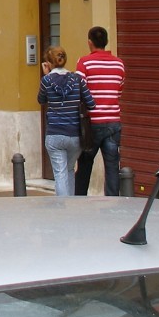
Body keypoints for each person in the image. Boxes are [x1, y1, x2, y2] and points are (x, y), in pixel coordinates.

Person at [74, 26, 126, 196]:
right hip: (113, 121)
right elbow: (119, 91)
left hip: (92, 123)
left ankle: (80, 199)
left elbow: (79, 91)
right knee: (112, 165)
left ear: (90, 43)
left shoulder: (84, 62)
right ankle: (112, 201)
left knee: (85, 163)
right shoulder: (119, 64)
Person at [38, 46, 95, 196]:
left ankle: (63, 207)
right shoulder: (77, 79)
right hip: (75, 135)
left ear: (48, 63)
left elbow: (41, 100)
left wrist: (46, 75)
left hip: (55, 134)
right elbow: (91, 103)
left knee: (60, 173)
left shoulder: (47, 80)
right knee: (69, 169)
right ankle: (71, 205)